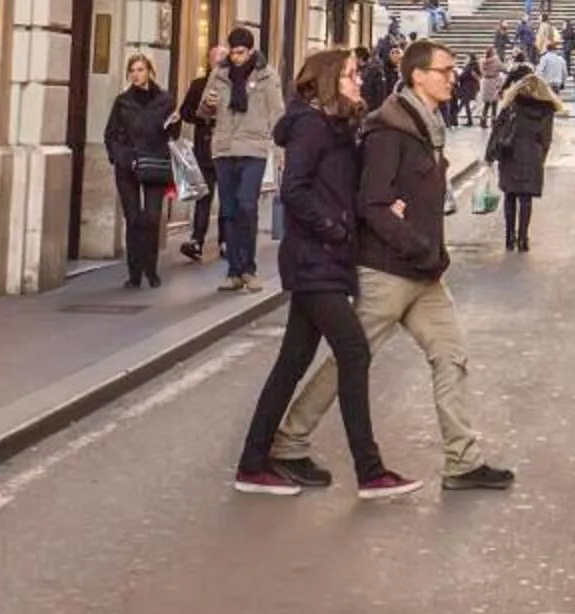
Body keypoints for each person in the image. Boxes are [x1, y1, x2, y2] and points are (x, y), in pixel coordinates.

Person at [268, 39, 517, 492]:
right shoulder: (390, 131)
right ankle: (289, 442)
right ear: (418, 76)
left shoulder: (428, 126)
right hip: (386, 270)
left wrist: (429, 254)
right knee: (349, 360)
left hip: (424, 273)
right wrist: (420, 247)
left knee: (451, 357)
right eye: (443, 70)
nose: (451, 76)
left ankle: (462, 461)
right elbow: (374, 204)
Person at [232, 50, 418, 499]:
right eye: (352, 75)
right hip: (314, 259)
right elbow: (293, 189)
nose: (359, 81)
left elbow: (336, 188)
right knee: (353, 351)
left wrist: (368, 210)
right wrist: (333, 226)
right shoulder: (312, 127)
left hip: (327, 259)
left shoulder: (336, 128)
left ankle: (254, 463)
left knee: (292, 362)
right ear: (331, 79)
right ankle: (370, 471)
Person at [196, 27, 279, 293]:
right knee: (229, 210)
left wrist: (281, 150)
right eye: (232, 53)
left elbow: (277, 112)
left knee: (247, 204)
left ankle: (249, 268)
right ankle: (234, 270)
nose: (236, 58)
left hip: (253, 148)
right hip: (224, 148)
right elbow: (202, 111)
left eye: (241, 53)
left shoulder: (267, 75)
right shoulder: (219, 74)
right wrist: (208, 105)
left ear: (251, 51)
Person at [103, 53, 177, 290]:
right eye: (132, 70)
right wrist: (120, 157)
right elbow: (110, 134)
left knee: (152, 219)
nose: (136, 75)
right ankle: (135, 273)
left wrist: (174, 124)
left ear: (150, 72)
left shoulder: (165, 100)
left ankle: (152, 270)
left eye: (140, 70)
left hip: (155, 164)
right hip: (129, 166)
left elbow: (173, 135)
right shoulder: (122, 102)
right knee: (133, 219)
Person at [491, 67, 563, 251]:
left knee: (510, 196)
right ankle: (523, 237)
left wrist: (492, 154)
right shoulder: (547, 110)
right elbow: (546, 138)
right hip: (532, 153)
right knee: (526, 199)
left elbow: (498, 129)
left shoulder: (511, 105)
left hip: (510, 152)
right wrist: (542, 157)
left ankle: (509, 236)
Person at [177, 64, 218, 264]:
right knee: (203, 196)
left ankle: (226, 241)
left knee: (229, 199)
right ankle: (197, 240)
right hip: (204, 148)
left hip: (228, 150)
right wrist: (203, 114)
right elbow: (185, 112)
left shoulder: (235, 85)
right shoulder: (198, 85)